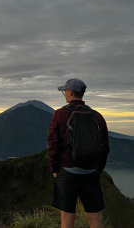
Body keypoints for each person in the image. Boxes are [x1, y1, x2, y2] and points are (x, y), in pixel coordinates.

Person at [48, 78, 110, 228]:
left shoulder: (60, 114)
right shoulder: (97, 116)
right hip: (91, 172)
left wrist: (55, 170)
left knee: (67, 217)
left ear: (69, 93)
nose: (64, 94)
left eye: (64, 91)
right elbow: (105, 148)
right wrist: (97, 170)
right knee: (95, 218)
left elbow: (53, 145)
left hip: (67, 172)